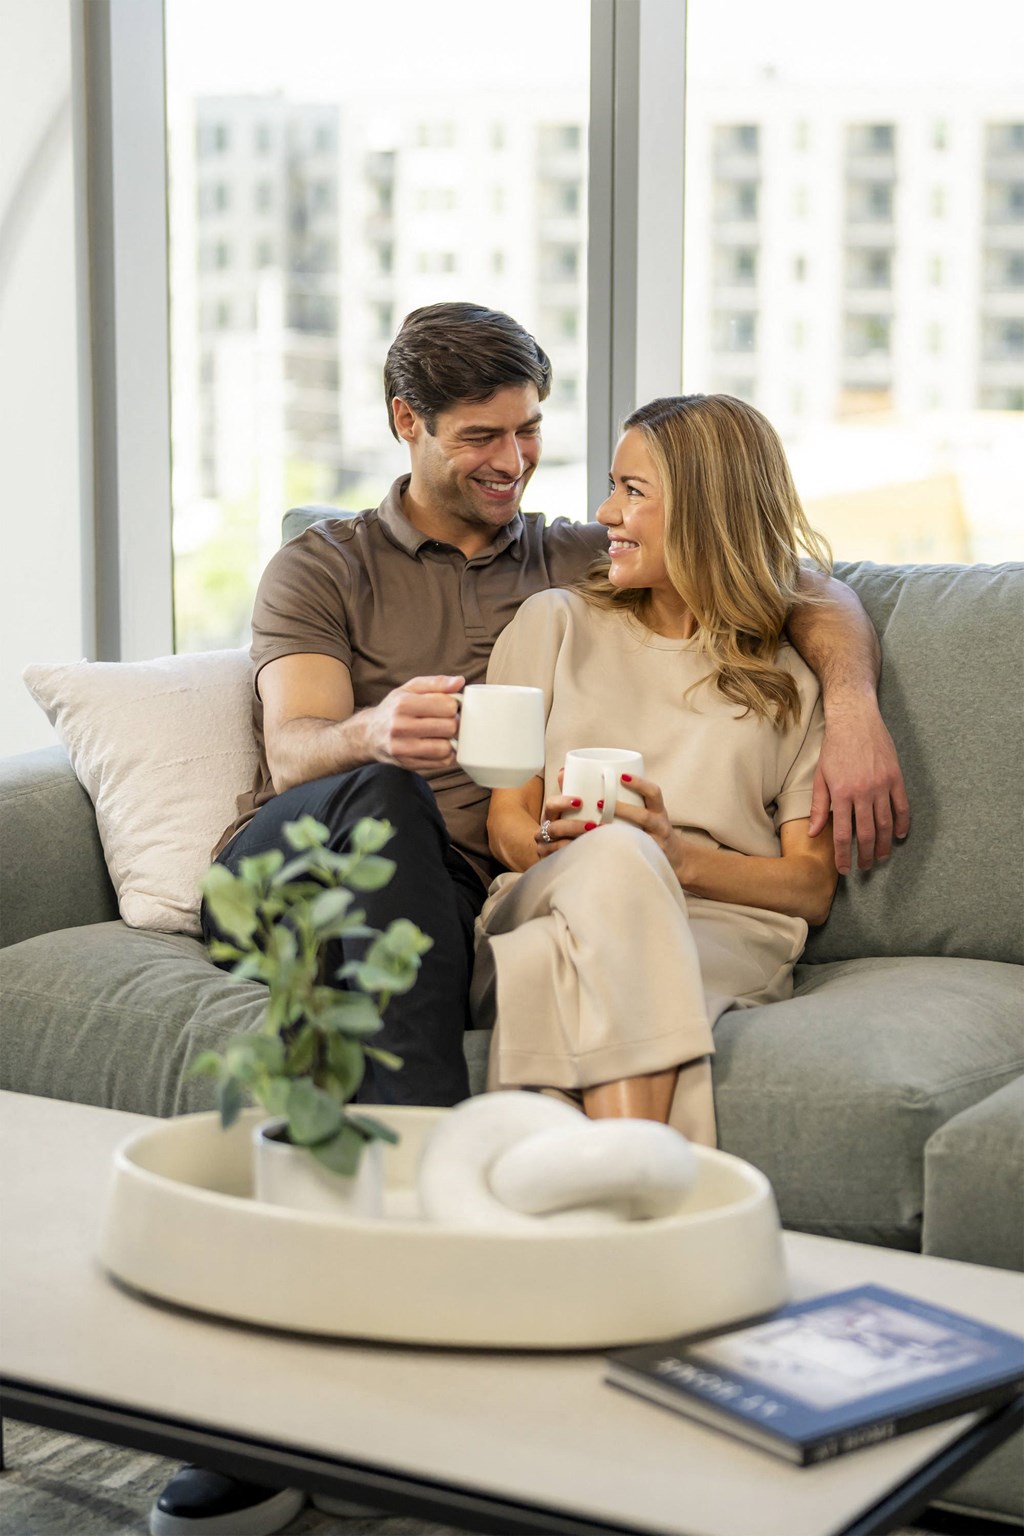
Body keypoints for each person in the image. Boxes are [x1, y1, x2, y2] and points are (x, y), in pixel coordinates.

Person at [150, 309, 907, 1536]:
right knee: (394, 802)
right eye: (480, 438)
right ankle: (425, 1273)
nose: (514, 463)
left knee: (486, 912)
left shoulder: (564, 561)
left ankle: (482, 1308)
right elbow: (294, 752)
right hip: (303, 849)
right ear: (409, 426)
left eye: (531, 433)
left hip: (459, 893)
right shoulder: (325, 565)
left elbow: (789, 578)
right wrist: (363, 734)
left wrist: (857, 703)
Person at [473, 393, 840, 1144]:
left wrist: (674, 857)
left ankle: (581, 1200)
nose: (605, 513)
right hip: (553, 893)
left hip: (723, 927)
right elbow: (505, 822)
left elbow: (810, 887)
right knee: (609, 866)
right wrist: (563, 849)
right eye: (612, 486)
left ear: (709, 513)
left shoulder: (791, 679)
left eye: (632, 492)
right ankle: (642, 1183)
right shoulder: (552, 624)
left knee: (552, 965)